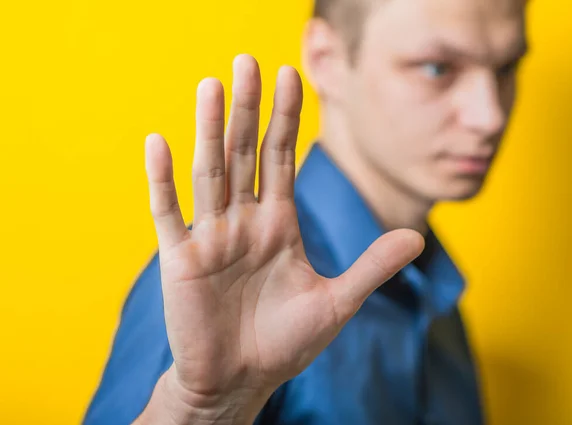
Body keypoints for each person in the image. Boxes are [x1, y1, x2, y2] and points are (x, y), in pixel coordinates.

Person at [84, 0, 528, 423]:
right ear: (326, 58)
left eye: (506, 67)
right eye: (438, 68)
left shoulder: (441, 305)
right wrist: (201, 413)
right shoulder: (222, 280)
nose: (489, 115)